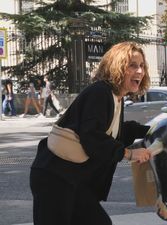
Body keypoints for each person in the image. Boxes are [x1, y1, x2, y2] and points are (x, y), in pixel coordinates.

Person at [30, 41, 153, 225]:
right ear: (117, 67)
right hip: (54, 177)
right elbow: (92, 136)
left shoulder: (116, 98)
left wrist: (153, 130)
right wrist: (129, 154)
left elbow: (118, 131)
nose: (140, 71)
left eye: (142, 66)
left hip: (73, 181)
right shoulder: (100, 93)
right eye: (133, 65)